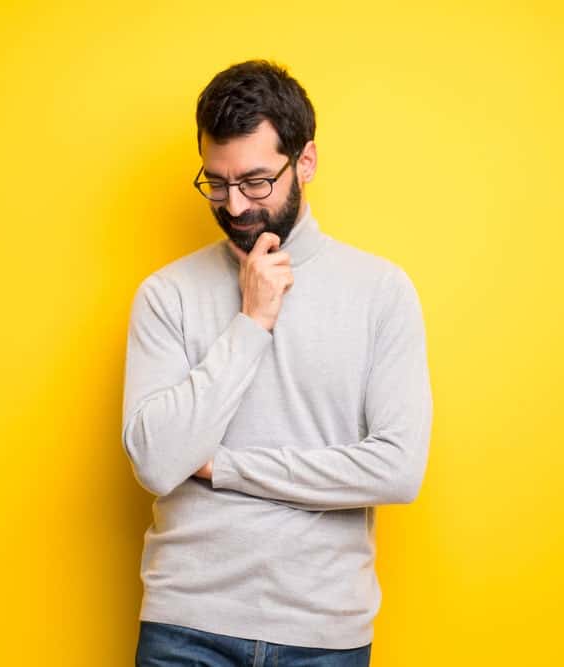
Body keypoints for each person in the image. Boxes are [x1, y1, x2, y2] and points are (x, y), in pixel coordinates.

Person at [121, 59, 433, 666]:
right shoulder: (167, 293)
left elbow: (397, 468)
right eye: (216, 181)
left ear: (306, 162)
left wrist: (225, 467)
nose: (235, 205)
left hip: (323, 635)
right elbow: (158, 463)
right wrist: (252, 320)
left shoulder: (380, 291)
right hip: (185, 626)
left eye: (257, 181)